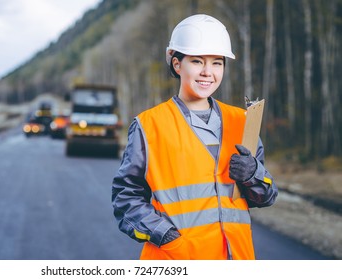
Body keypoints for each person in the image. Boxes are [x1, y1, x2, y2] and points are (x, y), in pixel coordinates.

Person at [111, 14, 278, 260]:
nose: (207, 72)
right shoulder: (150, 126)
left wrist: (253, 174)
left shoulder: (243, 121)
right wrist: (165, 235)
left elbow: (266, 197)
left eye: (217, 63)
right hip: (176, 260)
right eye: (197, 61)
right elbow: (126, 197)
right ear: (177, 64)